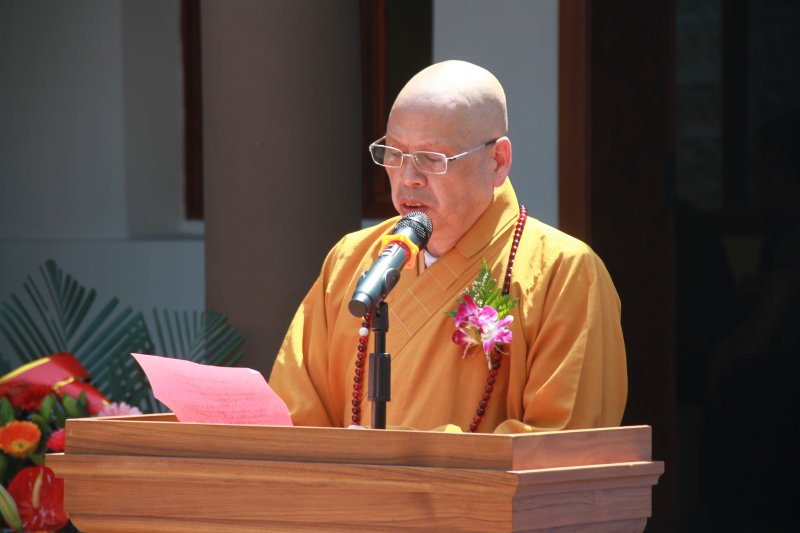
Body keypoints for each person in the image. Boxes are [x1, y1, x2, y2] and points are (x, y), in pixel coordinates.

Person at [269, 60, 627, 433]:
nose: (409, 178)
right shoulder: (351, 260)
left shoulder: (564, 273)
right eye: (393, 154)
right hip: (353, 493)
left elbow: (560, 445)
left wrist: (402, 464)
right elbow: (293, 418)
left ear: (498, 161)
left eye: (431, 159)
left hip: (472, 493)